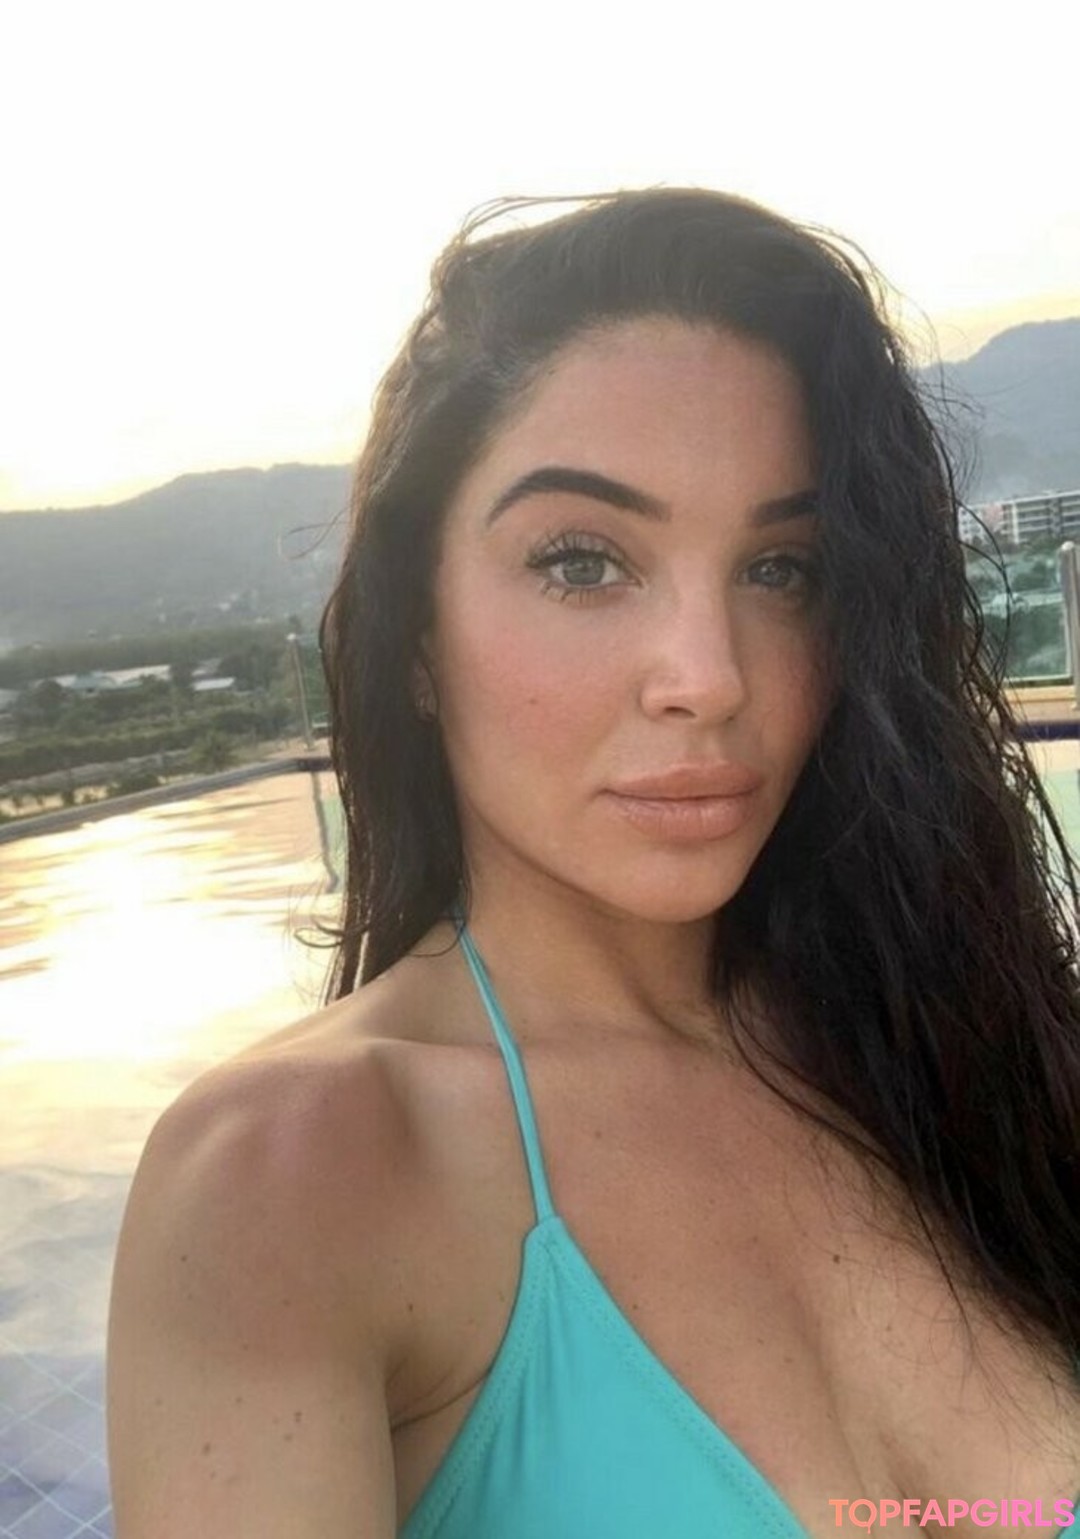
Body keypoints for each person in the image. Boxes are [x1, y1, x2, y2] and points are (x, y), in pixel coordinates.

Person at [106, 189, 1080, 1538]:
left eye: (783, 570)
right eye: (582, 563)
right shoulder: (293, 1179)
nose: (708, 677)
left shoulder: (968, 1054)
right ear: (417, 638)